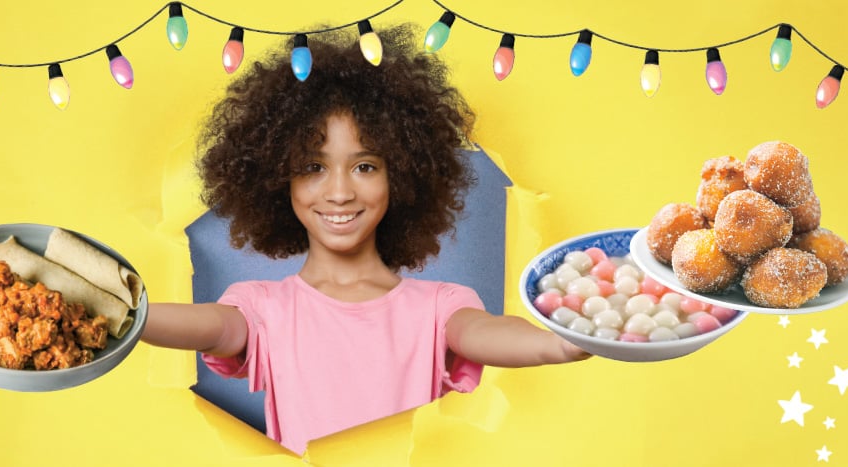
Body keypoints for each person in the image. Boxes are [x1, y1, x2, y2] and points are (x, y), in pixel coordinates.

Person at [141, 23, 589, 454]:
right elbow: (212, 325)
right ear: (280, 180)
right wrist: (127, 316)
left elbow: (485, 333)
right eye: (314, 167)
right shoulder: (262, 307)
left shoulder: (439, 306)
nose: (339, 192)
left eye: (365, 166)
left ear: (403, 176)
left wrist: (558, 342)